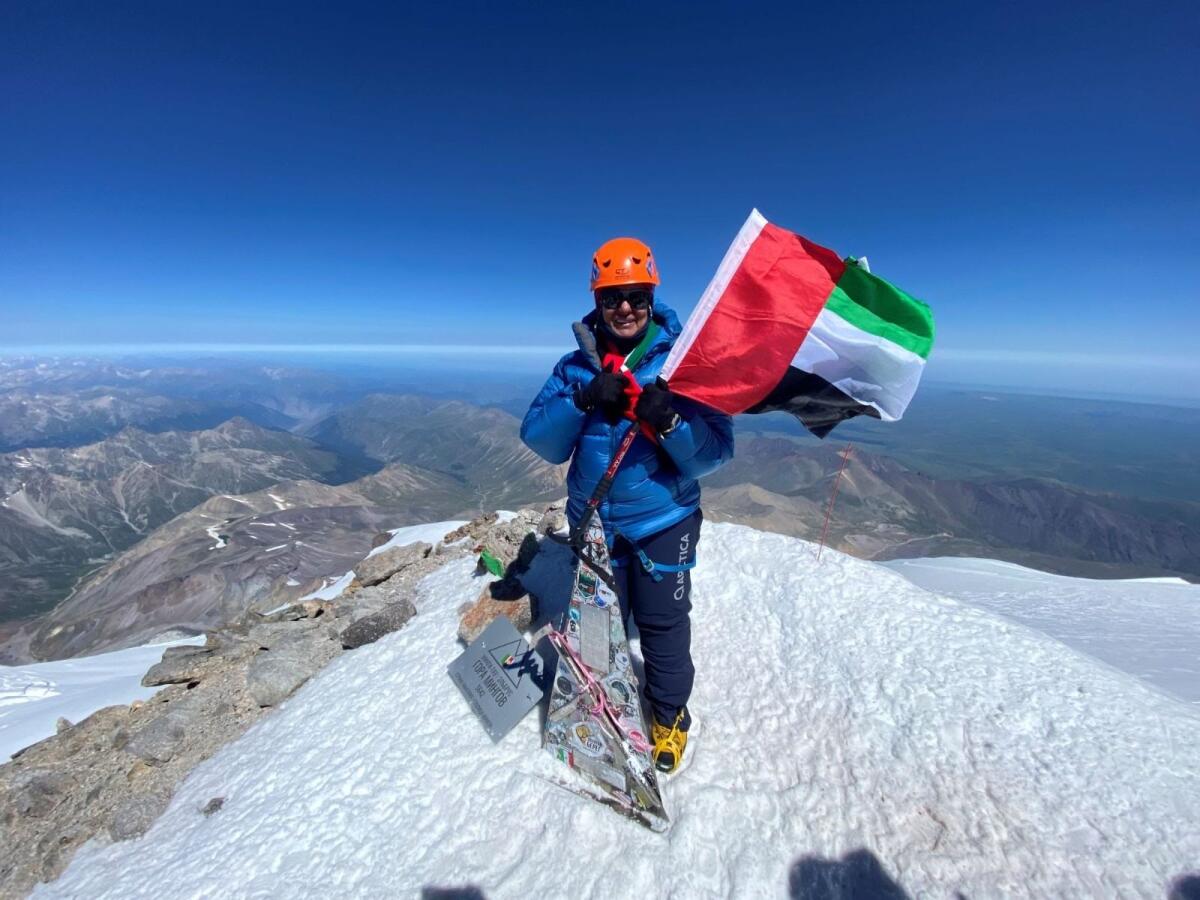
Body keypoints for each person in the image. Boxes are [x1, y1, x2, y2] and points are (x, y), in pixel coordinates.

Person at [520, 237, 734, 773]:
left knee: (662, 623)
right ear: (597, 301)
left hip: (664, 519)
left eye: (636, 296)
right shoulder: (574, 369)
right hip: (593, 521)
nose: (625, 308)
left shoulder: (686, 365)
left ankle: (667, 715)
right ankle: (604, 703)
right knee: (600, 623)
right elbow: (540, 440)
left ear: (651, 296)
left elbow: (714, 454)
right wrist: (584, 399)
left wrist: (671, 422)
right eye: (613, 297)